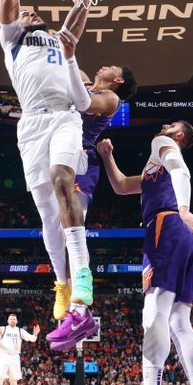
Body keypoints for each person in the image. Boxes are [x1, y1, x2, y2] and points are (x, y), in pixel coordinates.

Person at [0, 0, 99, 343]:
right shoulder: (12, 41)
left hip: (64, 119)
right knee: (48, 218)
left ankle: (83, 290)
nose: (30, 12)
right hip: (31, 127)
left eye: (33, 12)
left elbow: (80, 11)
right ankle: (64, 283)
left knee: (64, 183)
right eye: (25, 12)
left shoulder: (60, 41)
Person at [97, 123, 193, 385]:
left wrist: (183, 209)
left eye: (173, 126)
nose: (165, 126)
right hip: (186, 238)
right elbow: (122, 186)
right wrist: (107, 157)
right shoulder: (155, 173)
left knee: (153, 313)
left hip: (167, 226)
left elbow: (180, 170)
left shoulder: (162, 142)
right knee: (179, 320)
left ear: (179, 136)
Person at [50, 65, 138, 324]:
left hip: (81, 160)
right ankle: (62, 285)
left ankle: (80, 288)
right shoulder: (84, 78)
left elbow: (84, 102)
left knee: (73, 226)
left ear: (118, 79)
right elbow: (66, 66)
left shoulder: (111, 97)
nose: (104, 65)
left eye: (112, 67)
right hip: (56, 154)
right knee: (55, 229)